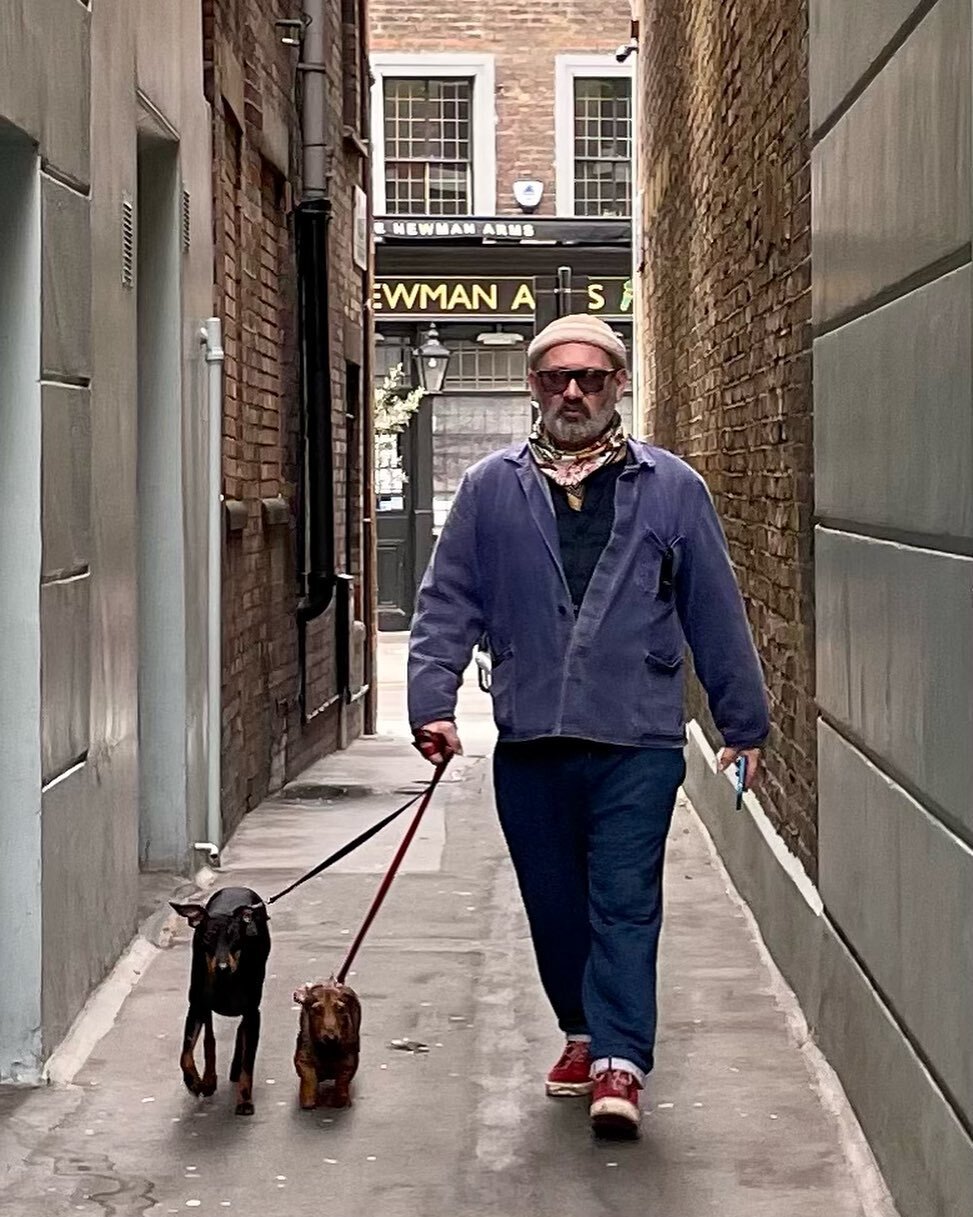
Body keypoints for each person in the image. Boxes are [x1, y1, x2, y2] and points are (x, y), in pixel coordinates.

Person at [407, 314, 769, 1137]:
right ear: (532, 387)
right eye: (555, 377)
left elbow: (714, 609)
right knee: (552, 901)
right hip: (531, 737)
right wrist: (431, 702)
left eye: (592, 378)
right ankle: (582, 1026)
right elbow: (446, 601)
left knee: (623, 898)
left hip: (636, 738)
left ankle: (619, 1059)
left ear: (618, 387)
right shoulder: (489, 489)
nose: (573, 392)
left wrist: (740, 723)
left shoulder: (671, 488)